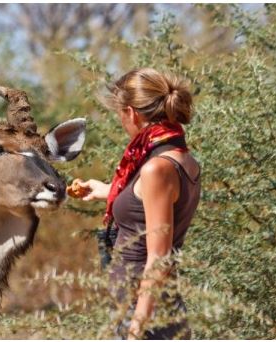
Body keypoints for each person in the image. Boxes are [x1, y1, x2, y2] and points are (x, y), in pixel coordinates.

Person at [74, 68, 201, 339]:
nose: (122, 122)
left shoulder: (157, 169)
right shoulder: (180, 157)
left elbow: (158, 258)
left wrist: (136, 327)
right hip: (153, 307)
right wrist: (106, 191)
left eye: (120, 115)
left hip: (145, 313)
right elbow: (153, 204)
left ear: (131, 113)